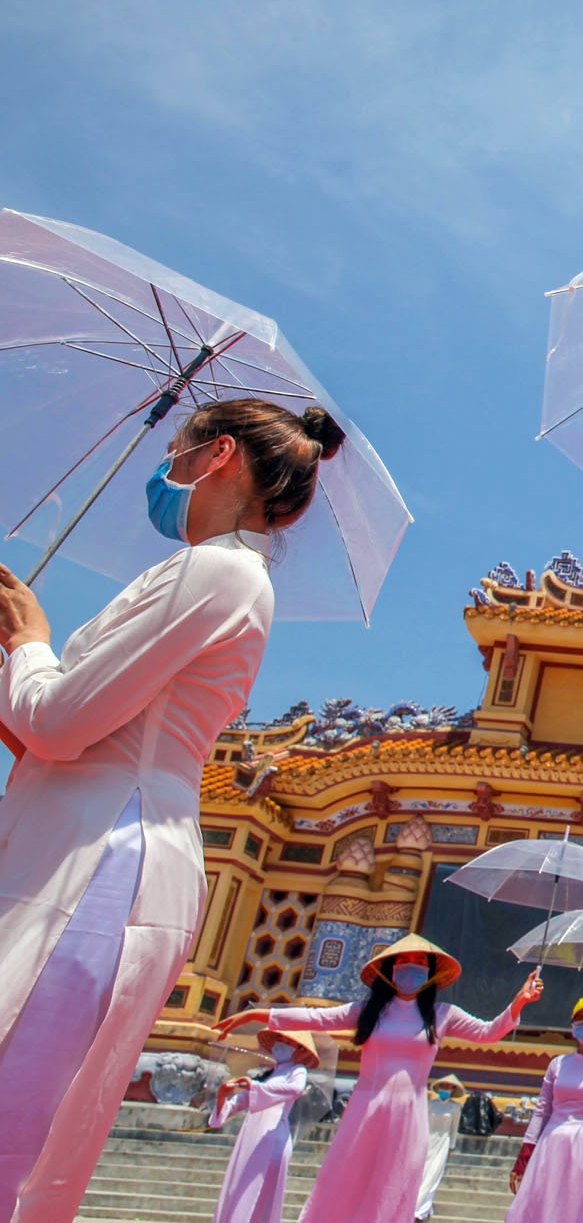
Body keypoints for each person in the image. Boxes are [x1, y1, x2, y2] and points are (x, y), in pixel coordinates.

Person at [0, 398, 345, 1220]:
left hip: (99, 858)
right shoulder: (218, 572)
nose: (167, 472)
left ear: (217, 454)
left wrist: (29, 640)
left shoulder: (217, 571)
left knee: (19, 1105)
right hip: (97, 829)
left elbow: (58, 722)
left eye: (177, 452)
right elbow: (58, 731)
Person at [215, 935, 542, 1223]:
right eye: (404, 961)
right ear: (390, 969)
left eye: (418, 962)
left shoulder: (442, 1015)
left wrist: (519, 1002)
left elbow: (488, 1033)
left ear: (430, 972)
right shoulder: (367, 1011)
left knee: (395, 1186)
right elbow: (316, 1018)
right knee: (345, 1180)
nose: (411, 967)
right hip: (365, 1109)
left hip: (409, 1115)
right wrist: (259, 1014)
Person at [507, 994, 583, 1219]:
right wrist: (525, 1153)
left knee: (576, 1206)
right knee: (538, 1206)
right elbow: (543, 1109)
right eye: (580, 1019)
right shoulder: (558, 1064)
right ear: (572, 1025)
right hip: (552, 1140)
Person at [208, 1027, 321, 1223]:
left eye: (287, 1041)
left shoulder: (297, 1071)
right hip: (251, 1137)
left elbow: (294, 1089)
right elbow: (231, 1108)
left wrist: (255, 1087)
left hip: (274, 1136)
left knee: (258, 1195)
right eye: (278, 1038)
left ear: (300, 1049)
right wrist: (222, 1095)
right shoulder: (265, 1075)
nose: (280, 1044)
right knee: (238, 1190)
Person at [414, 1074, 465, 1219]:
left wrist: (452, 1147)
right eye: (443, 1086)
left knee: (433, 1175)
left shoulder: (455, 1107)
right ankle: (416, 1204)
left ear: (453, 1089)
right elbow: (421, 1124)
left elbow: (454, 1128)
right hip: (426, 1142)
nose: (445, 1089)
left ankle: (422, 1209)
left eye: (449, 1087)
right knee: (422, 1174)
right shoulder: (430, 1104)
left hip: (443, 1143)